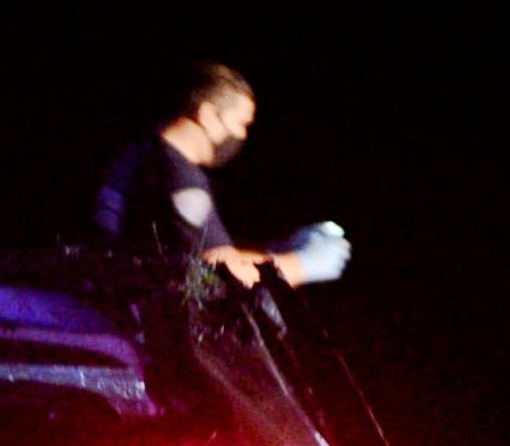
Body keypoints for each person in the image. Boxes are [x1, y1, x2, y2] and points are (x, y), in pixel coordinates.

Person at [89, 62, 349, 287]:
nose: (242, 135)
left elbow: (192, 255)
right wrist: (305, 263)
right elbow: (221, 272)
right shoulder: (180, 180)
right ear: (208, 116)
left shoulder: (140, 153)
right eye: (241, 124)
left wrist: (275, 251)